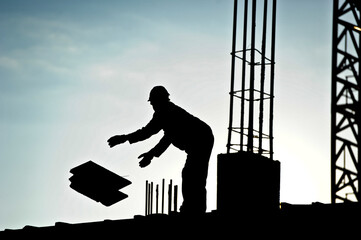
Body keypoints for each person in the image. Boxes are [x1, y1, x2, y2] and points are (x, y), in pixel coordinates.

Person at [107, 86, 214, 214]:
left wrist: (146, 151)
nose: (152, 105)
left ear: (159, 100)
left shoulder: (168, 112)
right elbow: (157, 134)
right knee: (192, 174)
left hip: (202, 138)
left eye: (153, 102)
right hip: (200, 140)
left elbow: (158, 135)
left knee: (193, 174)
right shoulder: (164, 113)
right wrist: (146, 152)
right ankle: (192, 207)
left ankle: (194, 209)